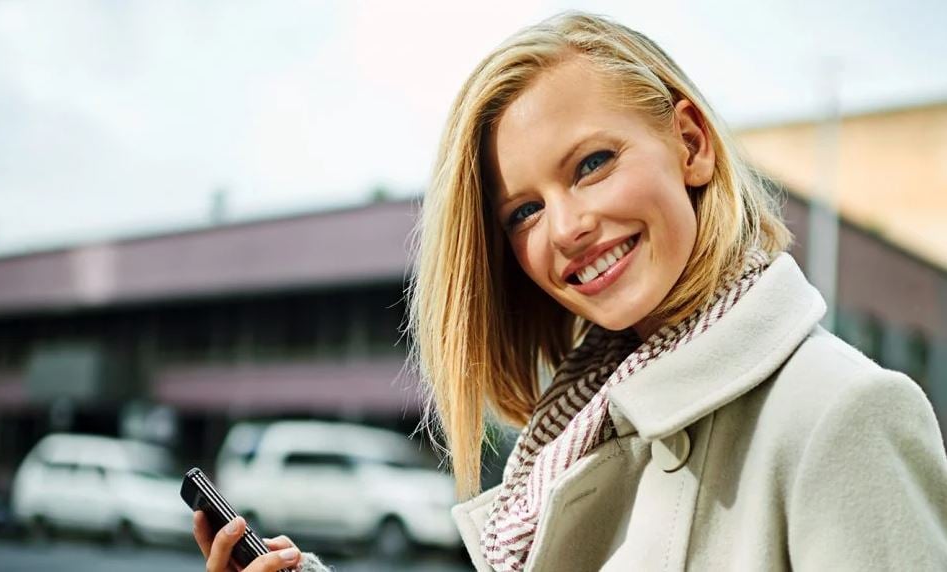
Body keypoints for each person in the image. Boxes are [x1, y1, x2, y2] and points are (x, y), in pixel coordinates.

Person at [195, 10, 947, 571]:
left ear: (690, 143)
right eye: (524, 211)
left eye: (591, 164)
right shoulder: (574, 434)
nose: (566, 228)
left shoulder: (845, 414)